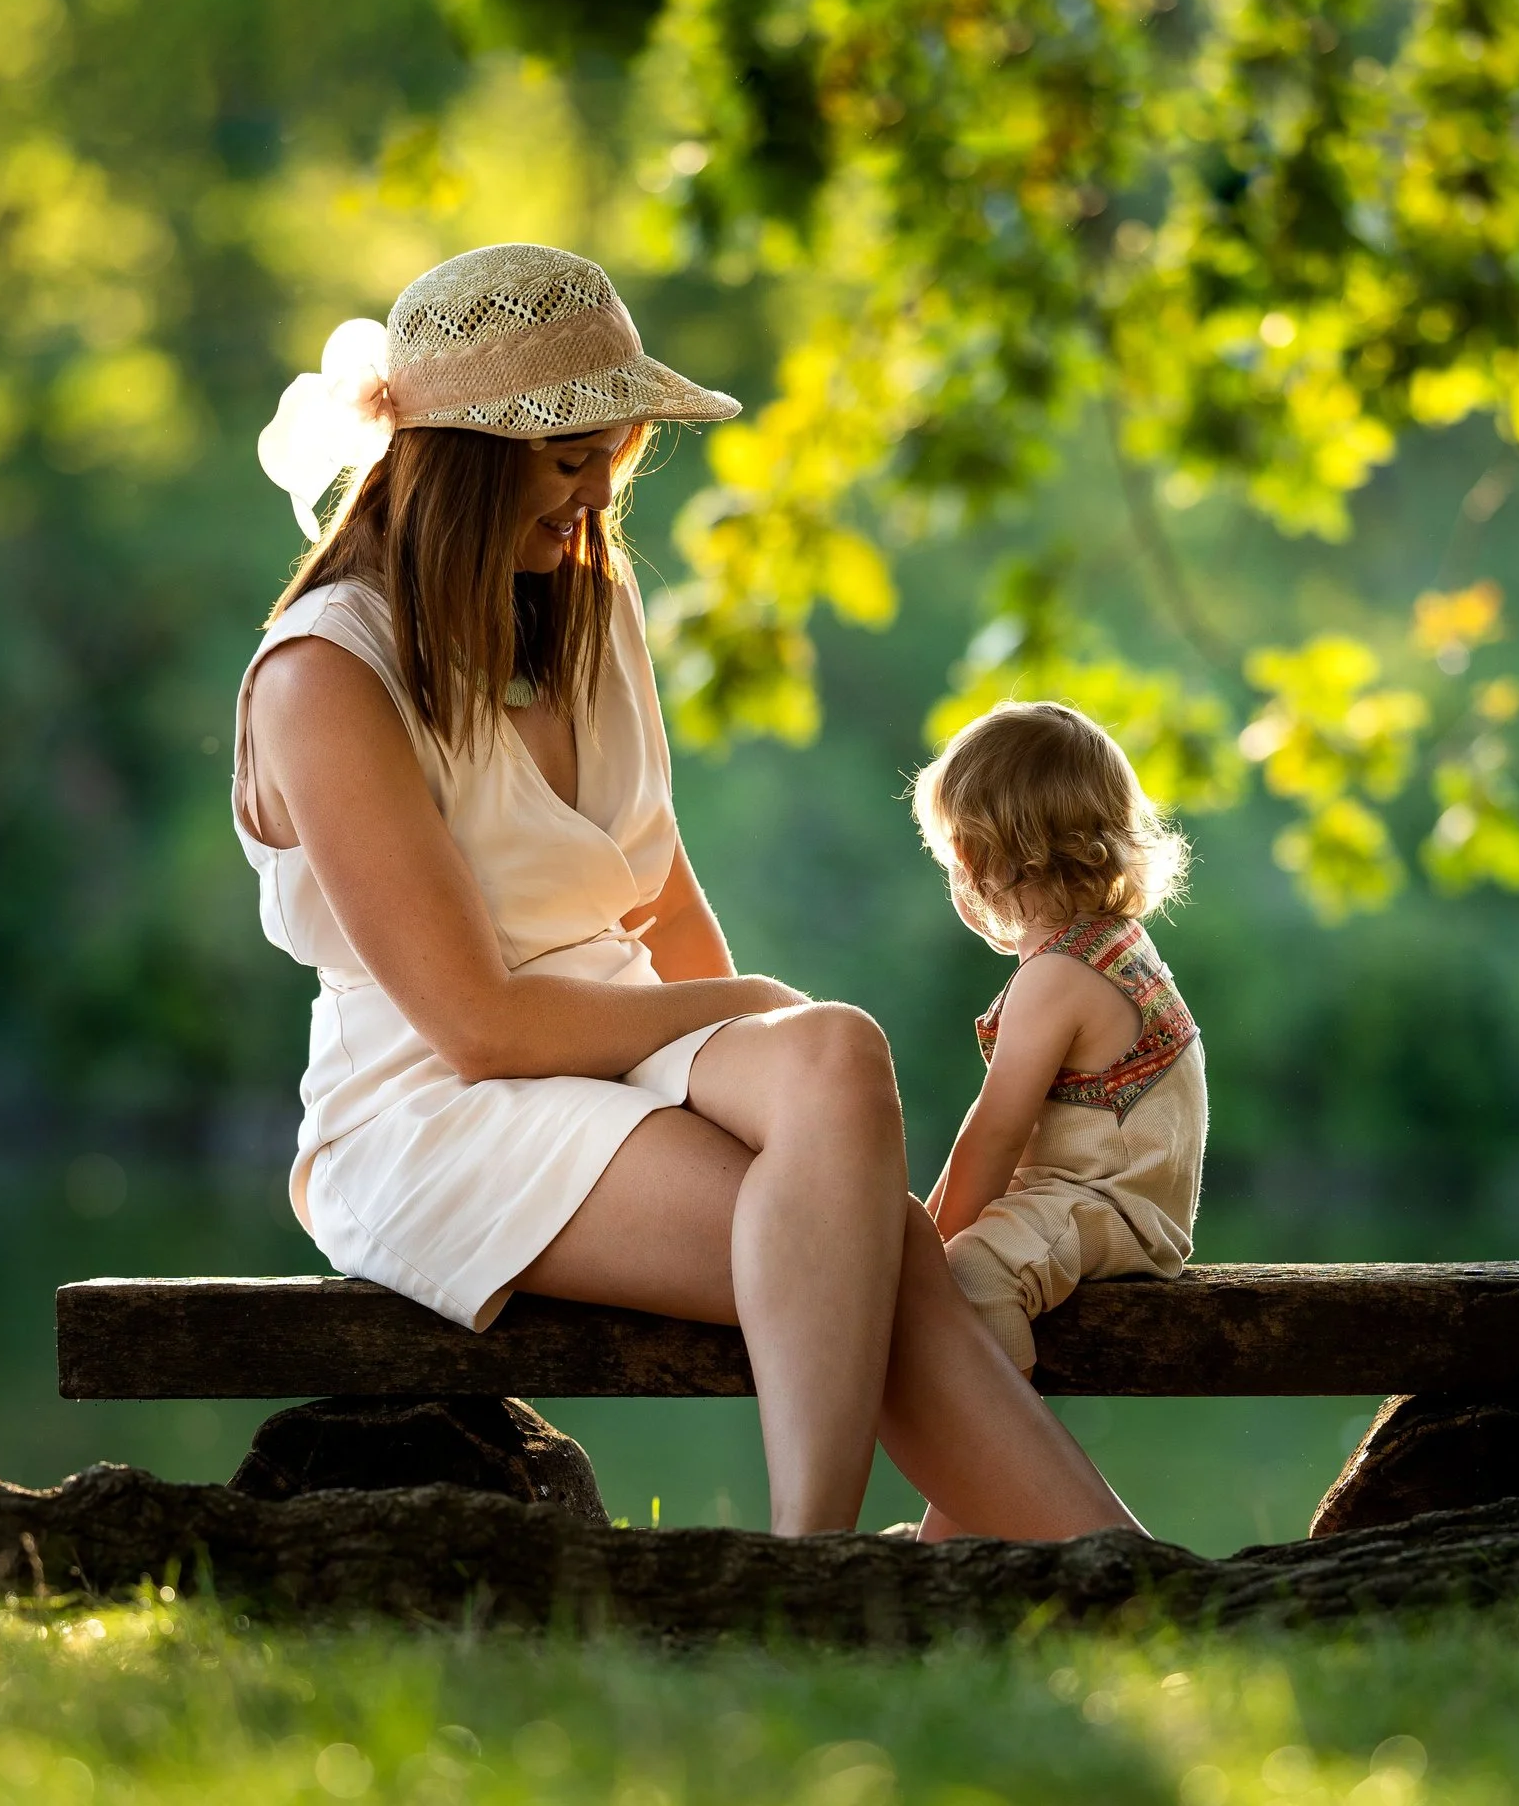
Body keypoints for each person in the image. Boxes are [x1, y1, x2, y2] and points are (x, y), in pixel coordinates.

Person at [234, 243, 1138, 1541]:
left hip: (612, 1056)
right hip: (432, 1111)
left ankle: (942, 1574)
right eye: (566, 459)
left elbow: (657, 903)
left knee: (831, 1050)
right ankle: (979, 1576)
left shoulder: (588, 604)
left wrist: (761, 1047)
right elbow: (479, 1025)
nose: (599, 493)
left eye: (615, 452)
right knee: (868, 1241)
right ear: (468, 455)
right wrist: (733, 1007)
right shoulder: (325, 676)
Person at [909, 702, 1208, 1539]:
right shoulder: (1114, 944)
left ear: (970, 858)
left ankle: (979, 1499)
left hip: (1108, 1209)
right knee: (961, 1257)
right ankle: (973, 1504)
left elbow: (995, 1131)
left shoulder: (1058, 976)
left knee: (970, 1273)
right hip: (1107, 1200)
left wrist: (929, 1251)